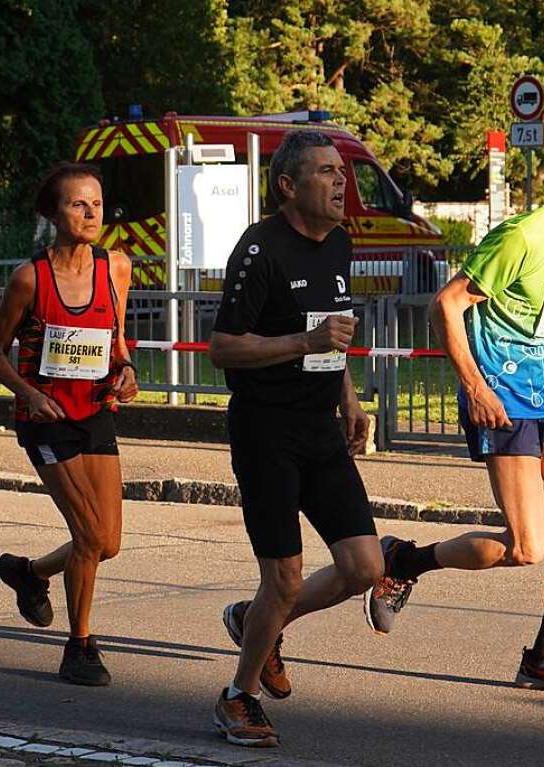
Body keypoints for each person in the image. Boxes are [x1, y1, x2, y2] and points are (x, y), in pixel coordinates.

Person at [364, 134, 544, 696]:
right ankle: (406, 561)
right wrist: (474, 386)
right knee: (525, 548)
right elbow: (447, 304)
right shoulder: (524, 236)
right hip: (504, 401)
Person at [209, 130, 384, 747]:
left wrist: (349, 396)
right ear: (289, 185)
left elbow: (330, 332)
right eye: (327, 172)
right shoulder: (260, 249)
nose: (342, 183)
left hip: (320, 429)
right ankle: (239, 696)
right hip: (265, 430)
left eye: (343, 172)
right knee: (282, 577)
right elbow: (223, 347)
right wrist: (300, 345)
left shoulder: (340, 243)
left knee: (365, 567)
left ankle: (256, 622)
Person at [0, 162, 138, 686]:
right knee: (90, 534)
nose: (91, 212)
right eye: (78, 203)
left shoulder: (115, 267)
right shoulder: (30, 277)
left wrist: (128, 371)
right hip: (45, 419)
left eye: (96, 202)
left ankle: (30, 574)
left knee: (108, 542)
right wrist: (27, 391)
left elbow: (116, 340)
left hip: (96, 410)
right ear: (54, 213)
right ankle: (80, 646)